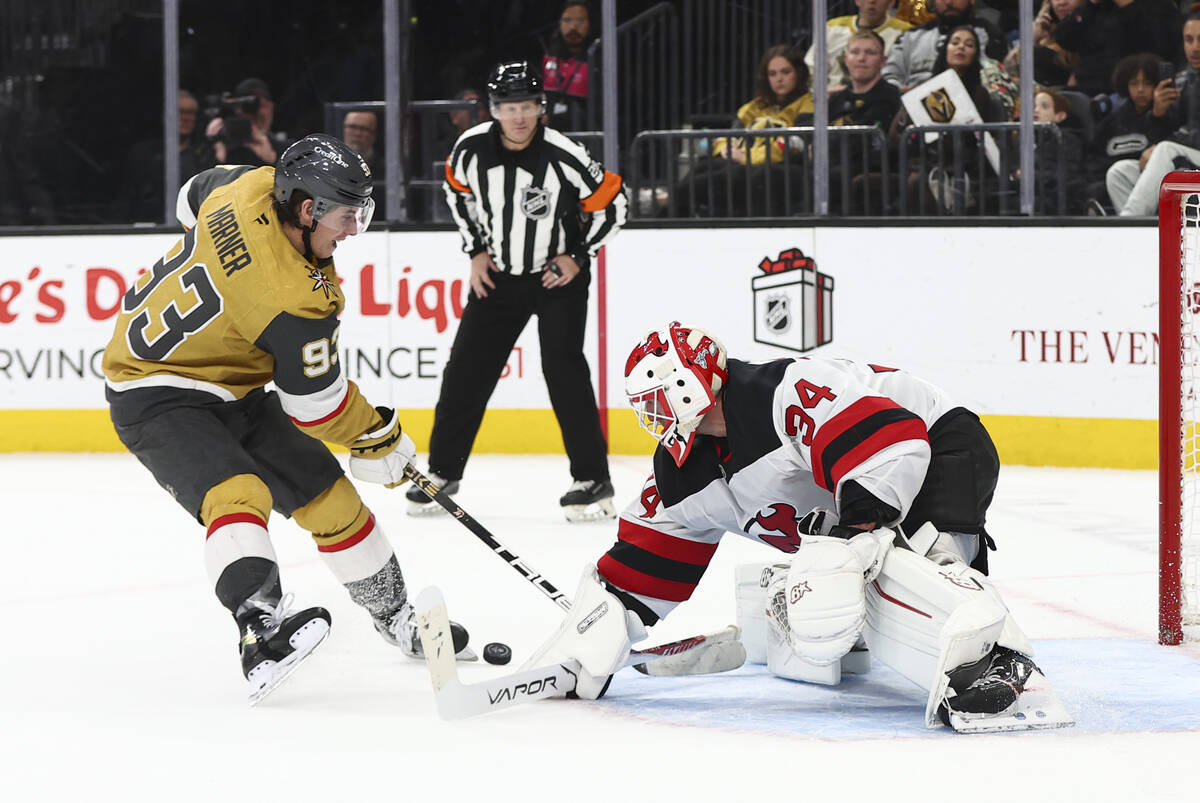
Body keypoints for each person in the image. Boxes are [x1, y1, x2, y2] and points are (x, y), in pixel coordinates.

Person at [523, 321, 1053, 730]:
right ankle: (876, 629)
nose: (656, 413)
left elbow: (894, 442)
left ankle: (1001, 664)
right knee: (831, 581)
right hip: (867, 483)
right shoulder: (682, 472)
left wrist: (852, 542)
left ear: (697, 379)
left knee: (920, 560)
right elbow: (644, 566)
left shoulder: (784, 392)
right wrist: (596, 631)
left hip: (939, 444)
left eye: (663, 392)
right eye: (647, 404)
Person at [101, 134, 473, 703]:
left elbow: (188, 197)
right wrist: (378, 436)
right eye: (346, 217)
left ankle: (397, 617)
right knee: (237, 493)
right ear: (307, 210)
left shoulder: (247, 183)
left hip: (235, 386)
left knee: (330, 498)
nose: (353, 230)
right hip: (155, 389)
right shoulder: (290, 297)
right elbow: (316, 407)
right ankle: (259, 630)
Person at [406, 61, 627, 522]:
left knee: (564, 369)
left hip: (556, 278)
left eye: (527, 106)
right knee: (465, 370)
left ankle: (591, 477)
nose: (519, 116)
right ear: (493, 109)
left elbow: (615, 203)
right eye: (509, 107)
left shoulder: (563, 153)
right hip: (500, 275)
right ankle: (443, 471)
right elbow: (457, 193)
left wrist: (578, 257)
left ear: (541, 108)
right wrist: (475, 252)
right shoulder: (470, 148)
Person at [674, 45, 815, 217]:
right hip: (744, 160)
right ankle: (670, 215)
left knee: (737, 173)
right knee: (705, 166)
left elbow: (792, 144)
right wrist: (726, 151)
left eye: (786, 72)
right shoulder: (755, 106)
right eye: (773, 74)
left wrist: (746, 157)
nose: (779, 79)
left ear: (798, 74)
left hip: (781, 166)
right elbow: (727, 136)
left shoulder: (808, 104)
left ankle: (666, 200)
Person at [1112, 13, 1200, 215]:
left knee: (1166, 149)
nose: (1195, 47)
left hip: (1189, 157)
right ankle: (1144, 236)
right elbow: (1161, 137)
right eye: (1189, 40)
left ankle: (1126, 223)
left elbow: (1179, 142)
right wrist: (1158, 114)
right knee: (1119, 172)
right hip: (1187, 162)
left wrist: (1163, 146)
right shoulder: (1182, 80)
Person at [827, 30, 903, 214]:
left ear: (883, 61)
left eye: (870, 53)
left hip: (871, 167)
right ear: (846, 59)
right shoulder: (835, 100)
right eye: (855, 52)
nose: (861, 58)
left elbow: (872, 143)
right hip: (834, 164)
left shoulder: (891, 97)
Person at [1088, 52, 1172, 212]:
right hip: (1112, 187)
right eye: (1134, 83)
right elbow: (1094, 160)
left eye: (1147, 83)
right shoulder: (1111, 123)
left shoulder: (1167, 118)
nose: (1140, 90)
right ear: (1125, 85)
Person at [1051, 0, 1182, 96]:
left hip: (1125, 91)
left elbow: (1160, 47)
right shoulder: (1097, 8)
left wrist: (1127, 5)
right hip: (1084, 86)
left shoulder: (1158, 8)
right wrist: (1090, 4)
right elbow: (1063, 38)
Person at [121, 89, 217, 222]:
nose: (186, 118)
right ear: (166, 115)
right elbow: (128, 199)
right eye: (180, 112)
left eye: (191, 113)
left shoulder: (205, 155)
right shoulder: (143, 154)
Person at [882, 0, 1008, 92]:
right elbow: (889, 77)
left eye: (969, 44)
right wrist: (902, 92)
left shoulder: (990, 35)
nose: (949, 2)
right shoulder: (911, 37)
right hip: (912, 107)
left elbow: (997, 81)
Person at [805, 0, 912, 92]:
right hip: (831, 100)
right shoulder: (833, 28)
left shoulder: (905, 33)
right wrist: (823, 93)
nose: (872, 1)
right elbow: (811, 70)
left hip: (883, 101)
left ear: (891, 2)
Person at [206, 77, 287, 167]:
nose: (256, 113)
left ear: (271, 107)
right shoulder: (223, 148)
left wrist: (273, 159)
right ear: (237, 109)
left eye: (261, 106)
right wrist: (217, 147)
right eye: (248, 108)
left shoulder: (287, 150)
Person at [542, 1, 596, 129]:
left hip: (589, 128)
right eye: (567, 20)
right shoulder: (548, 56)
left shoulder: (598, 55)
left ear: (590, 24)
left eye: (580, 20)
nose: (573, 27)